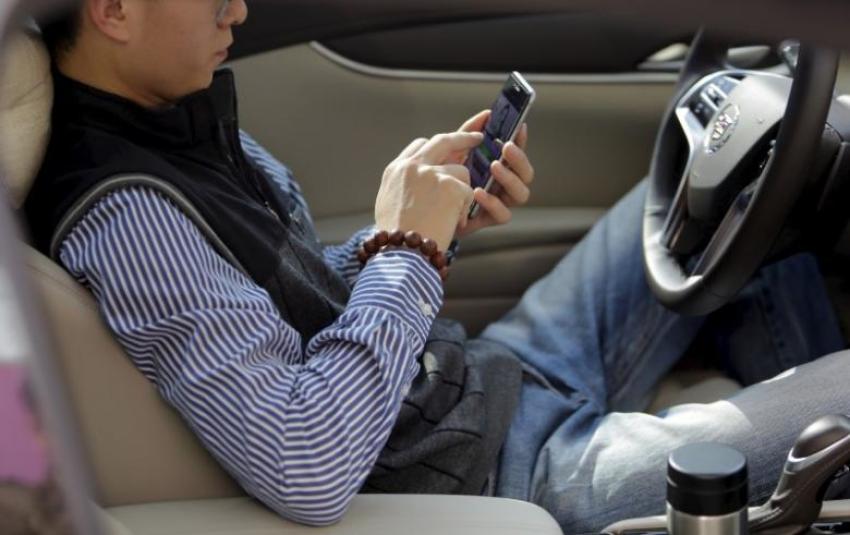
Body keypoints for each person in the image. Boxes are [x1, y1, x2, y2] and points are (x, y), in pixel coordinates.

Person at [22, 0, 850, 532]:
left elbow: (283, 315)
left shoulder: (172, 124)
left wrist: (408, 228)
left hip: (481, 382)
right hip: (500, 478)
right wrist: (411, 254)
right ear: (114, 8)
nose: (239, 6)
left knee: (727, 188)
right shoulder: (128, 217)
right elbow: (304, 461)